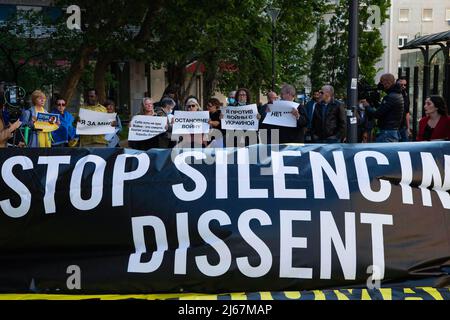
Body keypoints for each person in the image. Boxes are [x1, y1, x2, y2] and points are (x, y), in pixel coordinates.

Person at [365, 73, 404, 143]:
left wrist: (367, 106)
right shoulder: (397, 94)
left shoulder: (391, 97)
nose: (380, 84)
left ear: (387, 83)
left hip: (387, 133)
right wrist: (376, 102)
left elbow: (377, 114)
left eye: (381, 82)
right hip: (392, 132)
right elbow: (385, 110)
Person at [397, 77, 411, 142]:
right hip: (394, 128)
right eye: (401, 85)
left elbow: (407, 112)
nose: (403, 86)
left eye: (405, 85)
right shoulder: (393, 95)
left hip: (403, 127)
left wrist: (408, 128)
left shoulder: (406, 95)